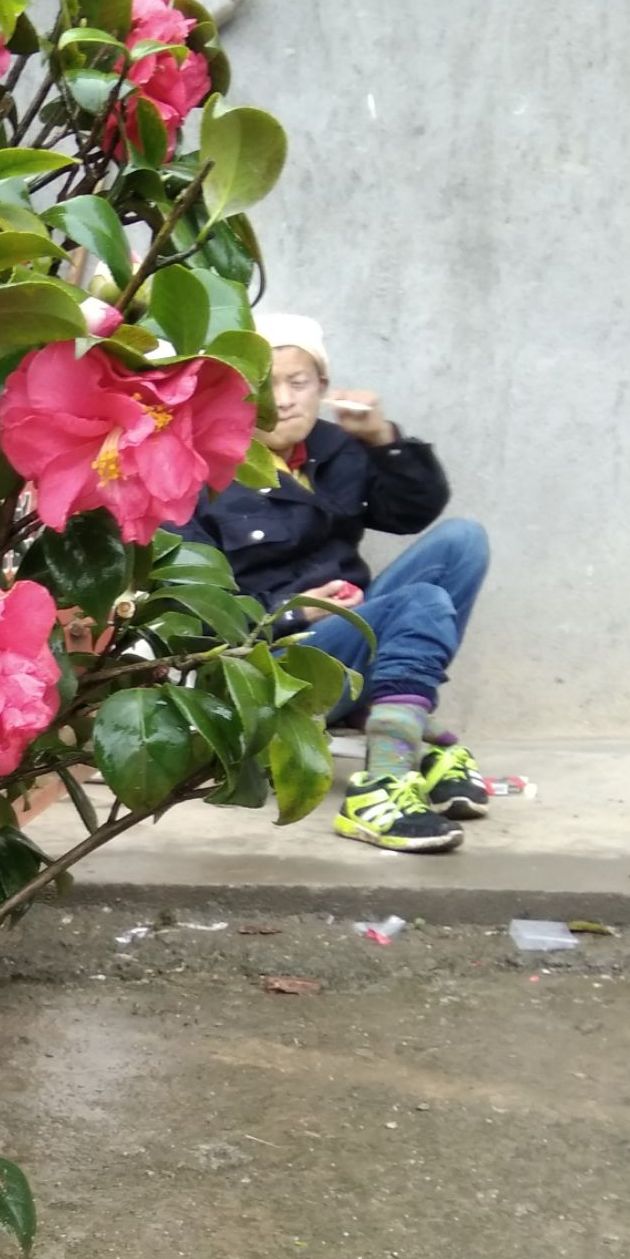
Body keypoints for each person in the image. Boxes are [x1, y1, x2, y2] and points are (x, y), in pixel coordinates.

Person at [186, 311, 491, 853]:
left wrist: (380, 439)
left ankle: (390, 716)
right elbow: (196, 618)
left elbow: (411, 510)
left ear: (321, 387)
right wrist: (294, 611)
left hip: (351, 637)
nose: (283, 400)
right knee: (419, 603)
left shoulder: (333, 447)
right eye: (265, 385)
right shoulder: (199, 470)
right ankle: (382, 785)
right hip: (273, 663)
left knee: (463, 541)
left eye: (298, 382)